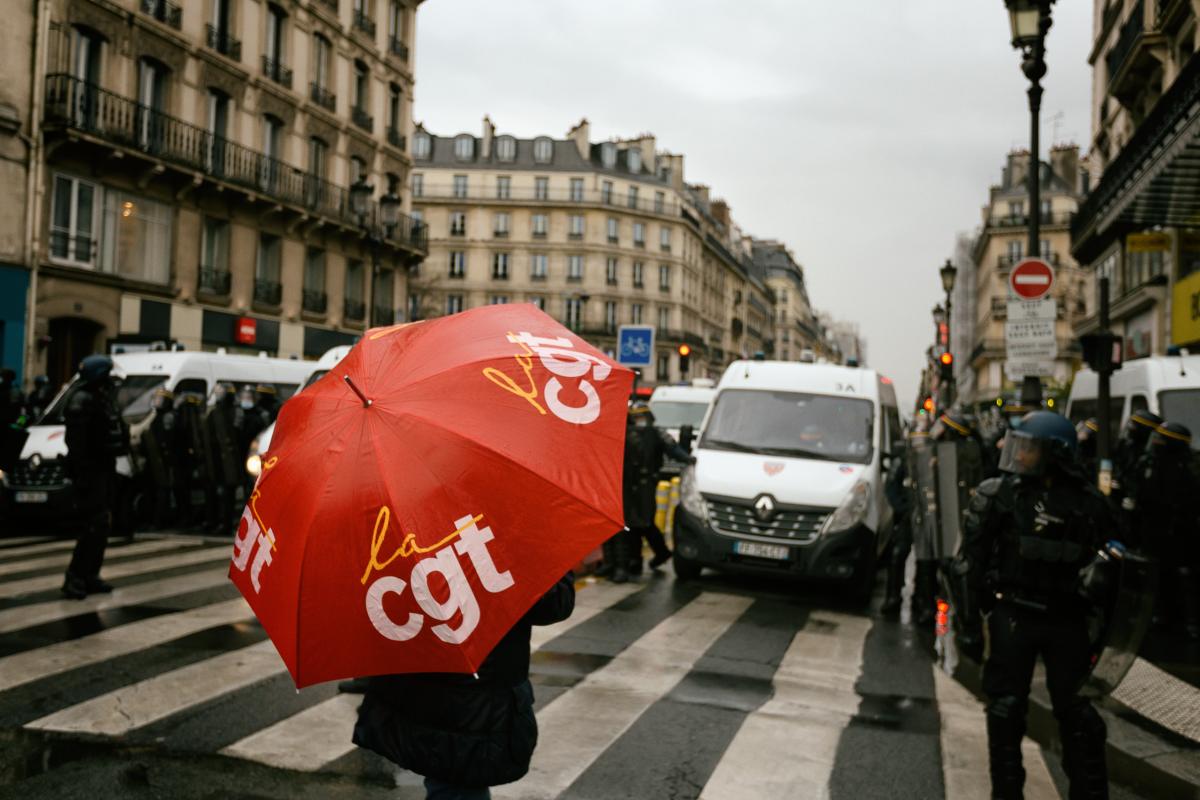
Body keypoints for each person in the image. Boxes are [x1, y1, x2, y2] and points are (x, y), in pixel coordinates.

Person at [954, 411, 1115, 799]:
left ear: (1054, 454)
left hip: (1066, 619)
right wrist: (969, 624)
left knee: (1079, 719)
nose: (1019, 454)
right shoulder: (1001, 494)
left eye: (1029, 447)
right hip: (1014, 614)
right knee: (1005, 711)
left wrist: (1103, 636)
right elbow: (969, 563)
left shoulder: (1091, 504)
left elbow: (1116, 573)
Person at [353, 572, 576, 799]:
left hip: (428, 683)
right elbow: (554, 604)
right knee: (456, 783)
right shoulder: (508, 549)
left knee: (448, 780)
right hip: (473, 696)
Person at [62, 355, 128, 599]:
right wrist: (83, 474)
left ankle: (91, 575)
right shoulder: (82, 400)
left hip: (103, 468)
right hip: (91, 472)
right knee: (91, 526)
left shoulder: (100, 397)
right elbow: (78, 444)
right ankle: (75, 577)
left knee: (101, 525)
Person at [1129, 422, 1200, 639]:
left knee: (1180, 578)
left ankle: (1185, 621)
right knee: (1161, 576)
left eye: (1161, 440)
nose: (1156, 444)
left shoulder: (1186, 469)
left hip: (1178, 535)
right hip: (1158, 532)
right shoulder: (1153, 464)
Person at [619, 402, 689, 582]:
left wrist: (689, 458)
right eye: (636, 417)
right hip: (628, 484)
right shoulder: (625, 433)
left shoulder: (657, 433)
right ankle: (637, 560)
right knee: (631, 523)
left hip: (647, 484)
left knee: (645, 522)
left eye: (642, 417)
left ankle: (659, 552)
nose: (639, 421)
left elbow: (674, 449)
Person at [880, 437, 914, 618]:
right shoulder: (903, 458)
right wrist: (903, 509)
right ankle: (893, 597)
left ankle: (923, 601)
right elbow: (891, 487)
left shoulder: (934, 455)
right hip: (906, 517)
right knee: (897, 554)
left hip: (927, 517)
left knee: (927, 560)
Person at [205, 383, 244, 536]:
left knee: (229, 493)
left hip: (231, 460)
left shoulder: (235, 412)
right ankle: (217, 521)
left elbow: (239, 437)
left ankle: (226, 523)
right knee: (219, 492)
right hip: (218, 459)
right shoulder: (215, 413)